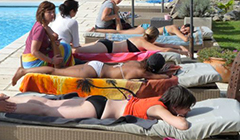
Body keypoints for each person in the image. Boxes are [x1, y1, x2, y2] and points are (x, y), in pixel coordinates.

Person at [0, 85, 196, 130]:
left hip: (98, 101)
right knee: (47, 111)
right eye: (187, 107)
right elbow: (182, 125)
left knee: (48, 103)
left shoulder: (159, 100)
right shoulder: (160, 109)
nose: (188, 111)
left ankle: (3, 100)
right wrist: (179, 116)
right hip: (97, 110)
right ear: (176, 105)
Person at [12, 53, 168, 86]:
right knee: (55, 72)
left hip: (96, 65)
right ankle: (24, 71)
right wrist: (167, 72)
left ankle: (25, 72)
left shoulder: (138, 63)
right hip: (94, 72)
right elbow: (162, 78)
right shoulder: (142, 73)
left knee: (59, 70)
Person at [21, 1, 74, 69]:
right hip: (32, 62)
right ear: (42, 13)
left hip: (31, 59)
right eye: (49, 12)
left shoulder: (43, 25)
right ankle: (64, 69)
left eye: (53, 12)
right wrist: (52, 61)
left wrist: (51, 44)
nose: (52, 14)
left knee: (64, 46)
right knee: (65, 49)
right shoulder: (40, 29)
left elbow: (43, 45)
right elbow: (34, 51)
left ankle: (66, 67)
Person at [73, 26, 189, 56]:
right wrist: (180, 52)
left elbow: (162, 44)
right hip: (106, 47)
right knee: (76, 51)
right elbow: (163, 49)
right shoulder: (144, 42)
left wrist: (179, 46)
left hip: (105, 43)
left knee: (77, 48)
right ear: (153, 37)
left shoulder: (143, 40)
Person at [96, 24, 191, 42]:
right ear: (183, 26)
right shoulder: (175, 28)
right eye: (185, 30)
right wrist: (189, 35)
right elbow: (185, 39)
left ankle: (96, 30)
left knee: (121, 32)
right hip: (146, 29)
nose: (184, 32)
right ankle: (96, 30)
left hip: (148, 30)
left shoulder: (176, 30)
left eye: (186, 32)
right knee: (120, 32)